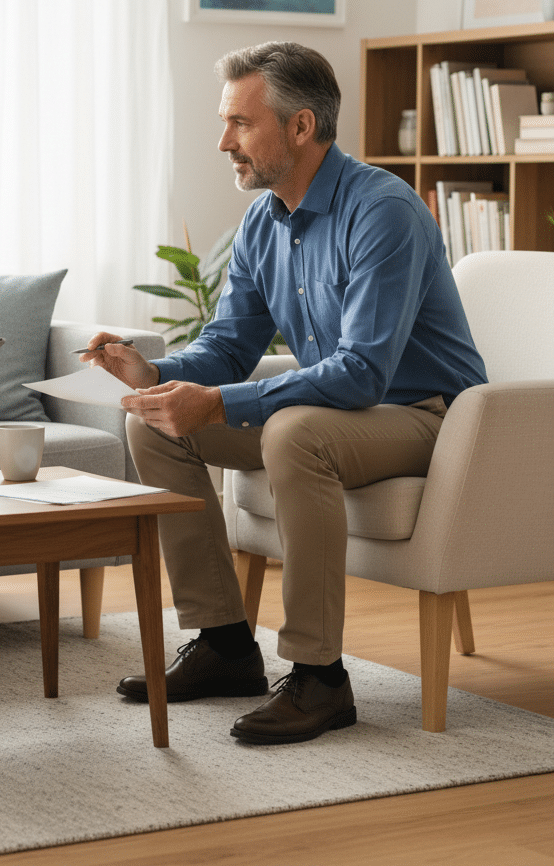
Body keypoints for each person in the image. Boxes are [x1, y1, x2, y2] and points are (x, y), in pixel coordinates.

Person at [81, 41, 487, 745]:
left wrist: (221, 403)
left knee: (294, 432)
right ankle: (226, 644)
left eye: (240, 123)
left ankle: (319, 677)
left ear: (301, 127)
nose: (223, 142)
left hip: (430, 418)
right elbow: (230, 346)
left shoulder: (381, 211)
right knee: (152, 424)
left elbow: (363, 372)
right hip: (349, 411)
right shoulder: (263, 223)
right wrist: (153, 375)